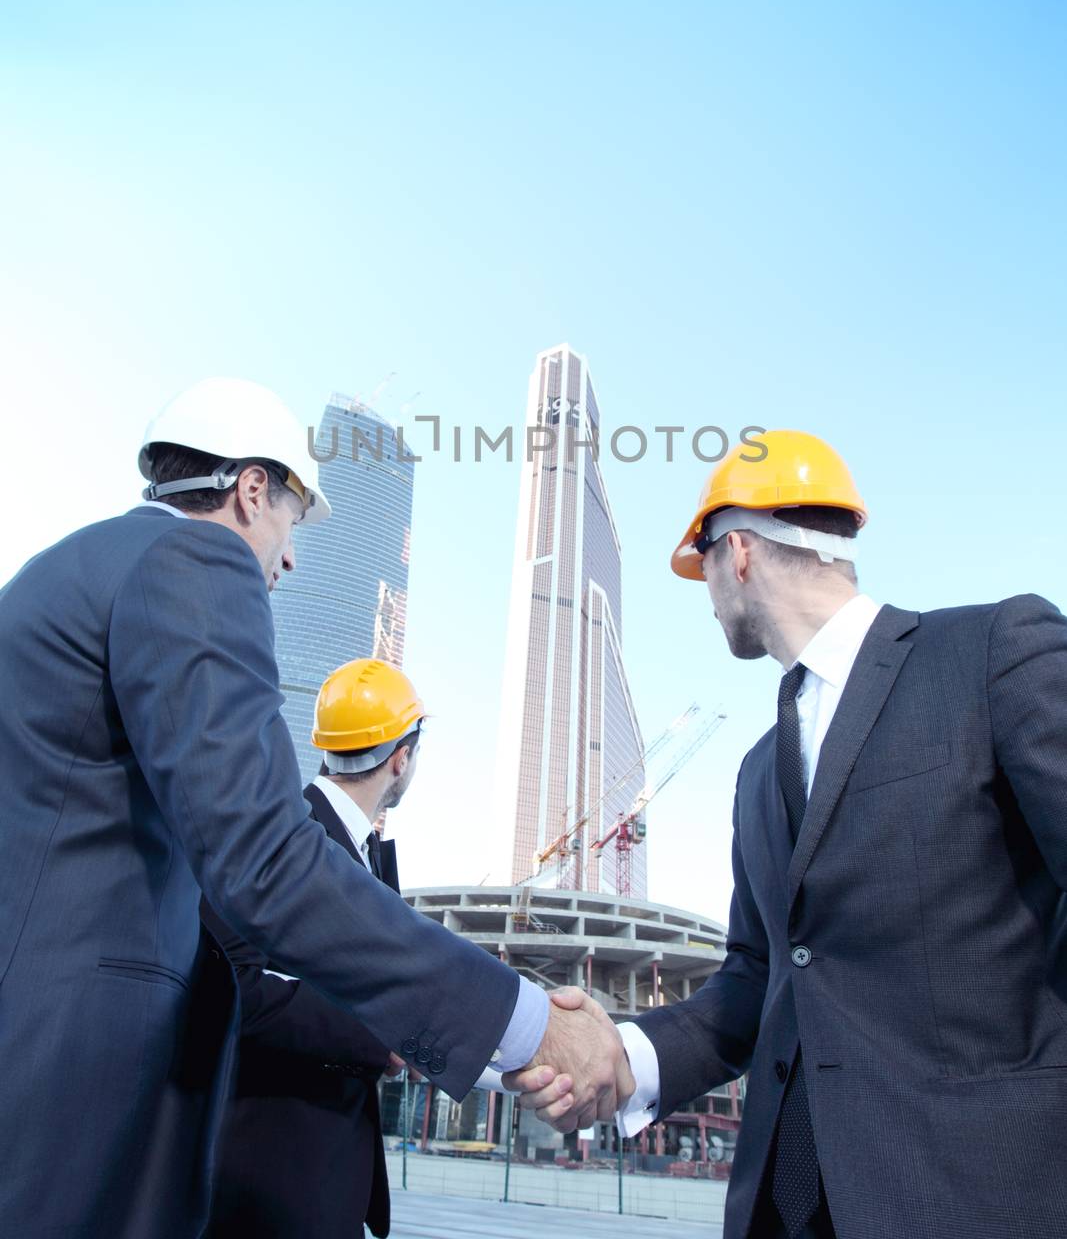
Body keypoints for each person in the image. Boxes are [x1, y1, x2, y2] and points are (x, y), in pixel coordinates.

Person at [0, 377, 628, 1239]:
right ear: (252, 489)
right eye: (292, 520)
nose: (288, 558)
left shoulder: (63, 568)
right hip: (76, 1075)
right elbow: (265, 861)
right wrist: (519, 1025)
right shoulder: (195, 562)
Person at [510, 430, 1067, 1239]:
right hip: (784, 1205)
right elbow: (755, 980)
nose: (703, 595)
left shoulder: (989, 655)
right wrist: (623, 1055)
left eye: (699, 568)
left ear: (736, 552)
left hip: (975, 1196)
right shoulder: (756, 769)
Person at [203, 657, 427, 1239]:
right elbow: (232, 983)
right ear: (402, 757)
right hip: (270, 1187)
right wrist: (379, 1034)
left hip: (327, 1183)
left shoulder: (363, 853)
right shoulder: (276, 833)